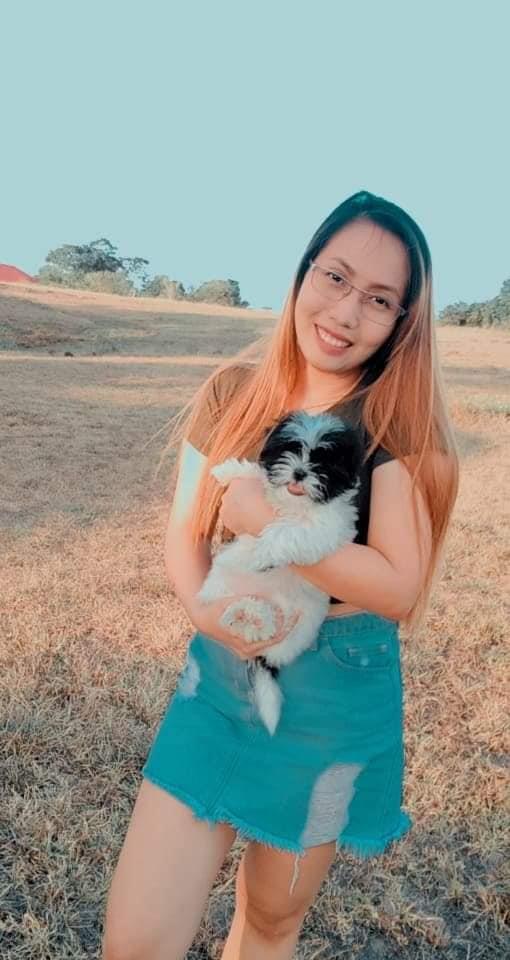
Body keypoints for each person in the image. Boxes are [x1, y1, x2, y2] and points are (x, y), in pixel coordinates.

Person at [101, 190, 459, 960]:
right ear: (304, 271)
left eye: (379, 299)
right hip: (220, 676)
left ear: (403, 320)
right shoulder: (234, 391)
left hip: (335, 699)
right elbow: (184, 533)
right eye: (335, 277)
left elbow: (398, 586)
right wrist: (207, 616)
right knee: (135, 944)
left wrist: (269, 520)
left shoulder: (394, 421)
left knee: (269, 922)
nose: (346, 312)